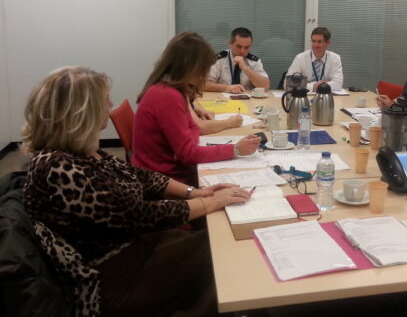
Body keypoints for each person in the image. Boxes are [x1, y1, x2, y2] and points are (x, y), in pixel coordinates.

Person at [22, 66, 252, 317]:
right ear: (82, 112)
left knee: (222, 242)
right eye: (104, 100)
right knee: (224, 257)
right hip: (114, 275)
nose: (109, 104)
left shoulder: (78, 151)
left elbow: (139, 176)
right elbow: (137, 215)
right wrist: (208, 204)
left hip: (135, 248)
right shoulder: (57, 168)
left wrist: (193, 193)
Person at [132, 32, 260, 184]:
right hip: (164, 182)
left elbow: (193, 130)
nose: (203, 74)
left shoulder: (171, 88)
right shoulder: (167, 96)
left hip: (167, 174)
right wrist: (235, 149)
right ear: (190, 67)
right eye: (202, 68)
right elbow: (189, 153)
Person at [204, 27, 270, 94]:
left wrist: (245, 68)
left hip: (247, 101)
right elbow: (203, 84)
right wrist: (227, 88)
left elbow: (265, 86)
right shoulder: (219, 59)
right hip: (222, 100)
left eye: (247, 47)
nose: (242, 51)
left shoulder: (254, 61)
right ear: (230, 43)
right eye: (239, 46)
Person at [286, 26, 344, 91]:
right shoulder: (300, 58)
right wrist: (315, 86)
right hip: (304, 97)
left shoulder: (335, 58)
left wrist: (308, 85)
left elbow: (338, 84)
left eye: (319, 42)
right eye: (313, 41)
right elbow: (287, 83)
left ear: (328, 43)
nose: (316, 45)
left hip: (325, 97)